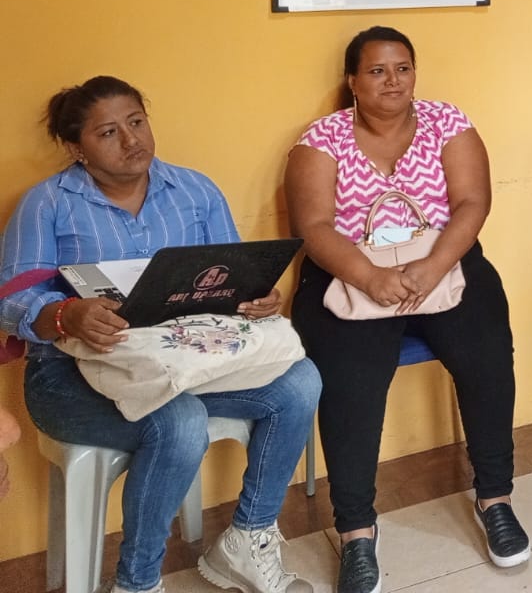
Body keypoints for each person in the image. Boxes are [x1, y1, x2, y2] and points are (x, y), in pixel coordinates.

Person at [0, 76, 320, 593]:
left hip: (183, 361)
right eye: (108, 132)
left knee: (300, 382)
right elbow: (9, 303)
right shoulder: (48, 204)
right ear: (76, 147)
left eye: (136, 122)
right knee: (179, 421)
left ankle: (248, 537)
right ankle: (138, 581)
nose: (131, 140)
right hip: (69, 376)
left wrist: (255, 296)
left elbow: (233, 276)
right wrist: (66, 316)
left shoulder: (194, 190)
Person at [286, 26, 527, 593]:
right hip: (350, 276)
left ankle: (495, 499)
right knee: (350, 383)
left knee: (488, 356)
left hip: (440, 265)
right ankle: (356, 531)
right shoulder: (321, 139)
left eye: (402, 68)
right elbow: (313, 226)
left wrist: (434, 265)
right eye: (376, 71)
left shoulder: (447, 122)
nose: (392, 80)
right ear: (352, 81)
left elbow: (473, 202)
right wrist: (370, 276)